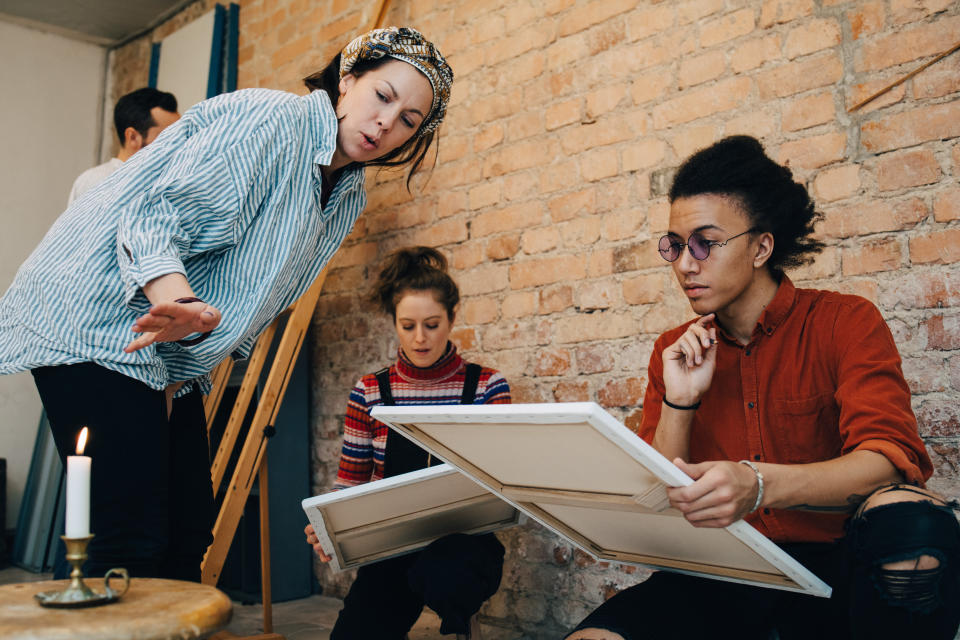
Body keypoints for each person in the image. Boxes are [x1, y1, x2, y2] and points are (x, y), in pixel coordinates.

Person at [0, 26, 453, 582]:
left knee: (189, 532)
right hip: (90, 314)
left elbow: (262, 291)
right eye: (383, 96)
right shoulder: (272, 122)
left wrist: (181, 359)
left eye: (408, 119)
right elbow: (154, 215)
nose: (387, 124)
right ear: (348, 78)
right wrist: (177, 301)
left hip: (161, 342)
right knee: (129, 533)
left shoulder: (346, 191)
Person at [567, 136, 960, 640]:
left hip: (830, 568)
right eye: (676, 245)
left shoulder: (845, 323)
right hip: (722, 574)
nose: (685, 264)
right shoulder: (674, 350)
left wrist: (757, 485)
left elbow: (890, 460)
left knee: (914, 525)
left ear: (762, 246)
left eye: (705, 242)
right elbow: (660, 500)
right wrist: (680, 400)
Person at [304, 246, 511, 639]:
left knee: (445, 573)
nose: (420, 339)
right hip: (394, 546)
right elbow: (351, 481)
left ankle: (450, 621)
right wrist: (330, 526)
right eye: (408, 325)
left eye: (432, 325)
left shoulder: (487, 386)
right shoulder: (370, 391)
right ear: (394, 324)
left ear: (452, 318)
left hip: (464, 550)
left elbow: (500, 482)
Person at [68, 87, 180, 205]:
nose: (180, 142)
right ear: (132, 137)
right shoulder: (93, 182)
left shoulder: (172, 183)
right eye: (169, 135)